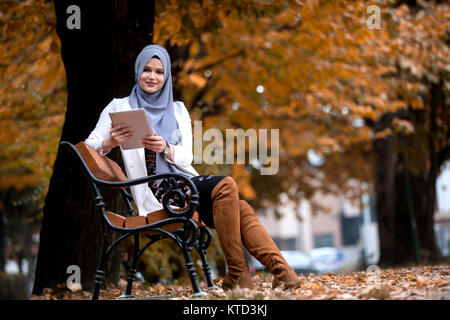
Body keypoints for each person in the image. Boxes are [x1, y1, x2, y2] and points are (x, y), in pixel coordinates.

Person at [85, 44, 301, 290]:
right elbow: (89, 145)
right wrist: (110, 141)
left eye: (159, 71)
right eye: (147, 70)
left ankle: (276, 274)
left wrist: (165, 148)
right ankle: (252, 274)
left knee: (237, 203)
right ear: (138, 72)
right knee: (227, 186)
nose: (152, 77)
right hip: (159, 193)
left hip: (184, 183)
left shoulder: (178, 110)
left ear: (166, 77)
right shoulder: (119, 107)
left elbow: (187, 158)